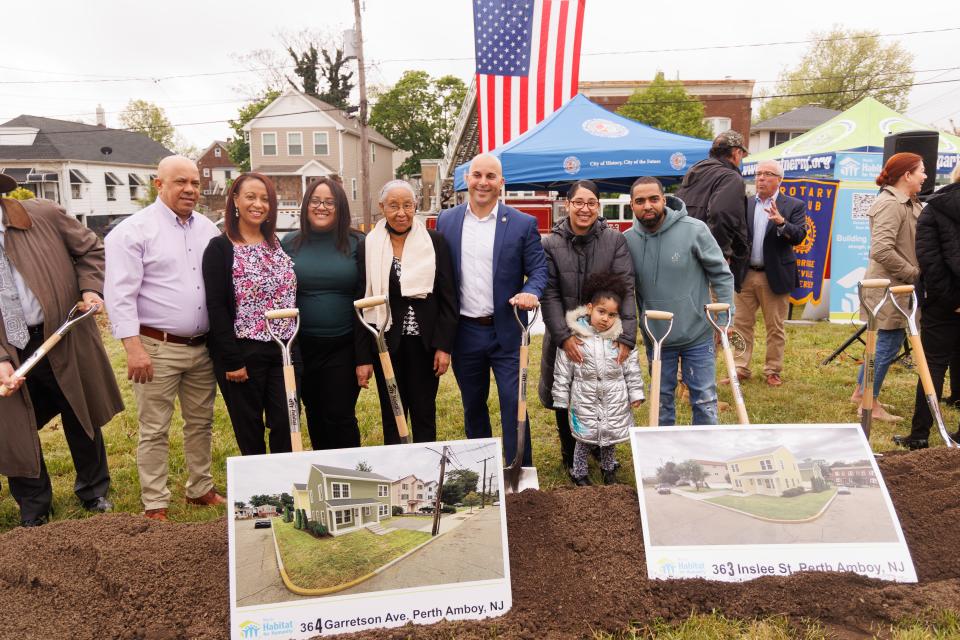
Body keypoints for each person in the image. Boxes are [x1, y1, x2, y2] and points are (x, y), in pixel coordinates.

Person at [104, 156, 225, 522]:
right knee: (155, 428)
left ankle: (199, 487)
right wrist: (133, 346)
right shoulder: (133, 232)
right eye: (180, 182)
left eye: (194, 183)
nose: (189, 189)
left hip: (201, 347)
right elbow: (119, 294)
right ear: (159, 184)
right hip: (156, 347)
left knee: (201, 422)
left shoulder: (209, 230)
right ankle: (155, 501)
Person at [0, 174, 123, 527]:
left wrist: (89, 288)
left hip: (60, 334)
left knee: (79, 410)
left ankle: (94, 490)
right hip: (9, 348)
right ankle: (33, 505)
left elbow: (91, 249)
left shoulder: (43, 215)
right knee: (14, 426)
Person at [435, 153, 548, 465]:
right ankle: (484, 473)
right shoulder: (447, 221)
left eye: (490, 177)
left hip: (507, 332)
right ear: (467, 180)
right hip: (465, 332)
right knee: (473, 404)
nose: (483, 182)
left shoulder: (522, 224)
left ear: (502, 183)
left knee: (514, 402)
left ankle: (518, 470)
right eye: (477, 175)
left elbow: (539, 271)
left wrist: (529, 291)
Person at [538, 179, 636, 481]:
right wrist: (563, 337)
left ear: (598, 206)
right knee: (566, 393)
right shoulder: (550, 244)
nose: (585, 208)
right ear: (567, 205)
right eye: (578, 202)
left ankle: (601, 448)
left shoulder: (614, 241)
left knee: (604, 390)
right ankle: (571, 454)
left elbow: (627, 288)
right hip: (564, 335)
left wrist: (626, 337)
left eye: (591, 202)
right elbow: (550, 293)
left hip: (606, 334)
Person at [624, 177, 735, 426]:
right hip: (658, 336)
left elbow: (721, 275)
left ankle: (706, 455)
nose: (647, 205)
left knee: (704, 399)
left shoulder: (694, 229)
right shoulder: (628, 239)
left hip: (698, 331)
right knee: (661, 400)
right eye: (640, 201)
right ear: (631, 205)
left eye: (654, 199)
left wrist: (725, 319)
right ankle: (666, 458)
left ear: (664, 199)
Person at [202, 173, 297, 455]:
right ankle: (258, 489)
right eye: (251, 197)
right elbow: (216, 306)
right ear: (235, 200)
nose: (258, 204)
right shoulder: (220, 248)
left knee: (286, 422)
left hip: (284, 351)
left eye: (265, 199)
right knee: (249, 427)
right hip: (243, 353)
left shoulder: (276, 244)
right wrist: (232, 360)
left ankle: (284, 486)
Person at [360, 180, 457, 444]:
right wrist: (362, 357)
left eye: (407, 205)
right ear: (382, 207)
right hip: (386, 344)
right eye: (393, 205)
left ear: (416, 207)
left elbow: (449, 298)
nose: (401, 212)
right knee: (393, 413)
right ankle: (397, 470)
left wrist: (444, 347)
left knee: (424, 412)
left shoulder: (435, 242)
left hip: (425, 345)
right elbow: (361, 302)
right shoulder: (368, 246)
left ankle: (426, 471)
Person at [281, 177, 366, 449]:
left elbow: (365, 297)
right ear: (306, 206)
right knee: (315, 414)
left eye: (330, 202)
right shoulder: (289, 244)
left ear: (340, 207)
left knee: (339, 415)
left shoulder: (357, 242)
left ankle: (349, 474)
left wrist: (364, 357)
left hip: (343, 346)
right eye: (316, 201)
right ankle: (324, 476)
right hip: (302, 346)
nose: (322, 207)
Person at [850, 152, 926, 424]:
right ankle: (869, 403)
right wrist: (914, 274)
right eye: (921, 171)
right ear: (907, 175)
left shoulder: (906, 203)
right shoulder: (891, 204)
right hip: (890, 288)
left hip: (896, 288)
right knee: (886, 344)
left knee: (884, 342)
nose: (925, 176)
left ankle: (862, 393)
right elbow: (881, 249)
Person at [552, 273, 644, 486]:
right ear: (590, 308)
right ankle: (580, 473)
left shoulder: (620, 339)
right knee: (584, 439)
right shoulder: (576, 338)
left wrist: (636, 393)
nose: (606, 319)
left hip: (614, 397)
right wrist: (560, 397)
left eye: (612, 315)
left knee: (610, 438)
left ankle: (608, 470)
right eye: (602, 312)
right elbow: (563, 370)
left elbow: (632, 369)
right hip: (585, 397)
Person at [895, 162, 960, 449]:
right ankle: (920, 431)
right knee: (931, 363)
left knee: (931, 363)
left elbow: (929, 262)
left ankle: (920, 433)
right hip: (945, 301)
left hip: (942, 302)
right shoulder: (933, 208)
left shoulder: (933, 208)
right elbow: (931, 260)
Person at [730, 160, 806, 387]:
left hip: (775, 274)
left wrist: (782, 223)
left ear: (779, 180)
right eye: (759, 174)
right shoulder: (745, 204)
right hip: (745, 274)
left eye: (767, 174)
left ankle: (773, 370)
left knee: (775, 326)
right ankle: (740, 367)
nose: (761, 178)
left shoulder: (793, 205)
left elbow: (800, 235)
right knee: (741, 324)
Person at [675, 129, 750, 285]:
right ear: (736, 153)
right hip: (708, 262)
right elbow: (721, 214)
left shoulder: (695, 172)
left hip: (684, 254)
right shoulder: (730, 177)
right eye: (742, 155)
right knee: (716, 308)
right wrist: (720, 255)